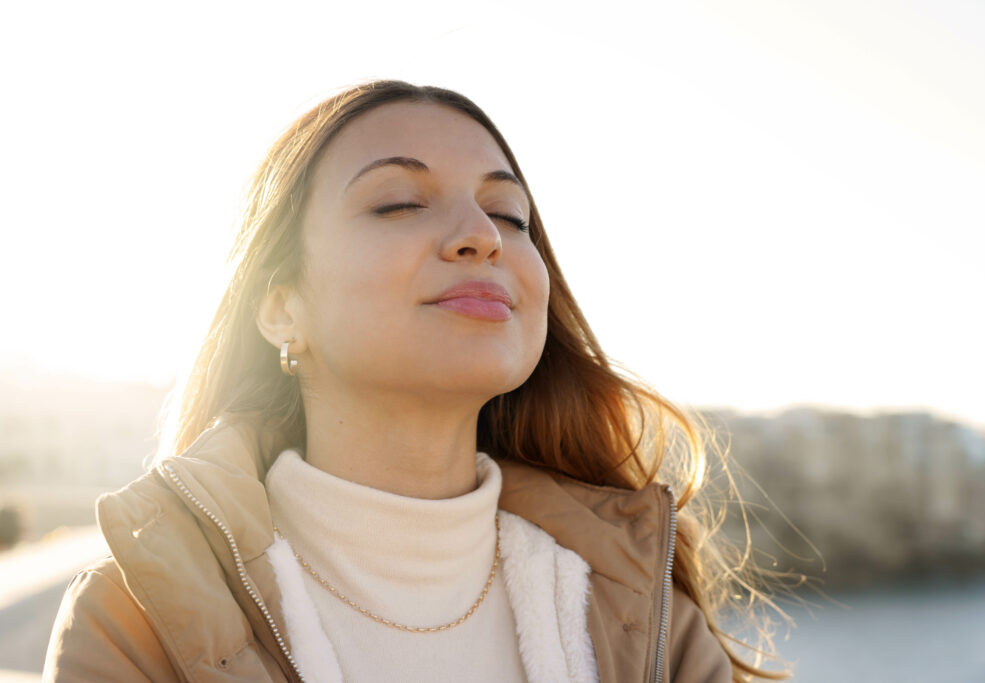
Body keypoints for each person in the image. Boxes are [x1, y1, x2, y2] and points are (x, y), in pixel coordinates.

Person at [43, 81, 785, 682]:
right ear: (280, 307)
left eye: (509, 214)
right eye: (399, 202)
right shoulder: (137, 624)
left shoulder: (644, 619)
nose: (482, 236)